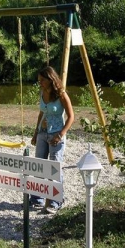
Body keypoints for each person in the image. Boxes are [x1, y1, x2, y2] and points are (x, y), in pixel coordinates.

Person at [30, 66, 74, 214]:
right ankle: (37, 198)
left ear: (50, 79)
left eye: (42, 80)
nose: (40, 83)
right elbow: (41, 112)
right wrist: (36, 133)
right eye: (39, 81)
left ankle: (55, 201)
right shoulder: (42, 92)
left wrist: (61, 134)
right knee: (39, 165)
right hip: (43, 133)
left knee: (54, 169)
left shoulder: (61, 94)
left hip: (56, 135)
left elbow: (71, 117)